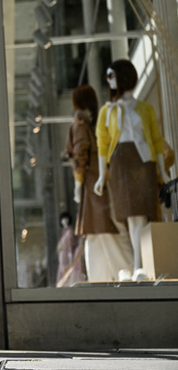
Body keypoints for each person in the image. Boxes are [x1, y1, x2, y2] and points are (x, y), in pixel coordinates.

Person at [94, 59, 169, 281]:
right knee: (130, 217)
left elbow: (156, 140)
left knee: (143, 216)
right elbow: (103, 143)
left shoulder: (145, 108)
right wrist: (101, 174)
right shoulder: (107, 111)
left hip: (144, 163)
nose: (109, 81)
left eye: (112, 76)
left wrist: (162, 172)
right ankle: (137, 267)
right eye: (108, 77)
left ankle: (139, 267)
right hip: (121, 164)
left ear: (124, 76)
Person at [64, 85, 131, 282]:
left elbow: (79, 155)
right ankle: (103, 279)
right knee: (97, 233)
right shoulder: (94, 123)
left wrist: (78, 183)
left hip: (93, 186)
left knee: (105, 230)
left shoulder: (80, 123)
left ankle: (125, 273)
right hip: (99, 183)